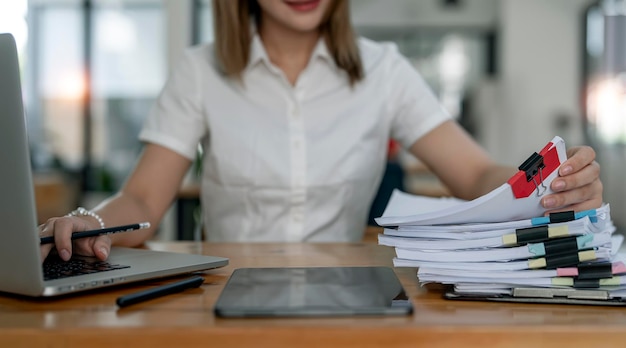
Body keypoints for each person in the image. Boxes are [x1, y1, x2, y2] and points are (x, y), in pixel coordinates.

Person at [39, 0, 603, 262]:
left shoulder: (384, 70)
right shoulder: (199, 70)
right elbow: (142, 199)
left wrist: (554, 183)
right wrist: (88, 221)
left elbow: (474, 172)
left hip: (351, 293)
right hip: (223, 292)